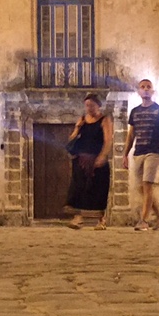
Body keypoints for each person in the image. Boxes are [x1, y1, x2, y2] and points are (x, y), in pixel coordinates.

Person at [124, 79, 159, 230]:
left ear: (152, 91)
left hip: (153, 151)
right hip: (138, 152)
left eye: (148, 87)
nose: (145, 89)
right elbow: (131, 135)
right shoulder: (134, 112)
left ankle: (144, 220)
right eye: (142, 87)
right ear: (139, 91)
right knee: (141, 188)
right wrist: (125, 154)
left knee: (147, 185)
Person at [65, 93, 112, 229]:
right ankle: (78, 218)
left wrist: (102, 156)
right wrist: (77, 127)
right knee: (78, 188)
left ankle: (101, 220)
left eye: (92, 105)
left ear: (98, 105)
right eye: (87, 105)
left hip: (97, 160)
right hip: (81, 160)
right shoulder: (82, 120)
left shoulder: (104, 120)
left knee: (98, 189)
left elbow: (108, 140)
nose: (89, 108)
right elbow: (71, 139)